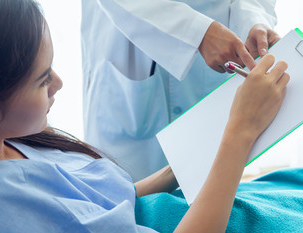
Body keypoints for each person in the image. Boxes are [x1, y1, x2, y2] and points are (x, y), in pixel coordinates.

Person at [0, 1, 303, 233]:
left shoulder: (11, 145)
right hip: (192, 224)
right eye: (42, 80)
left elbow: (104, 201)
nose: (58, 83)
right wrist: (239, 134)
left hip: (182, 207)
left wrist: (178, 169)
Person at [81, 0, 281, 181]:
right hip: (131, 51)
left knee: (208, 191)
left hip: (216, 62)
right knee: (127, 203)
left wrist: (254, 18)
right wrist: (198, 32)